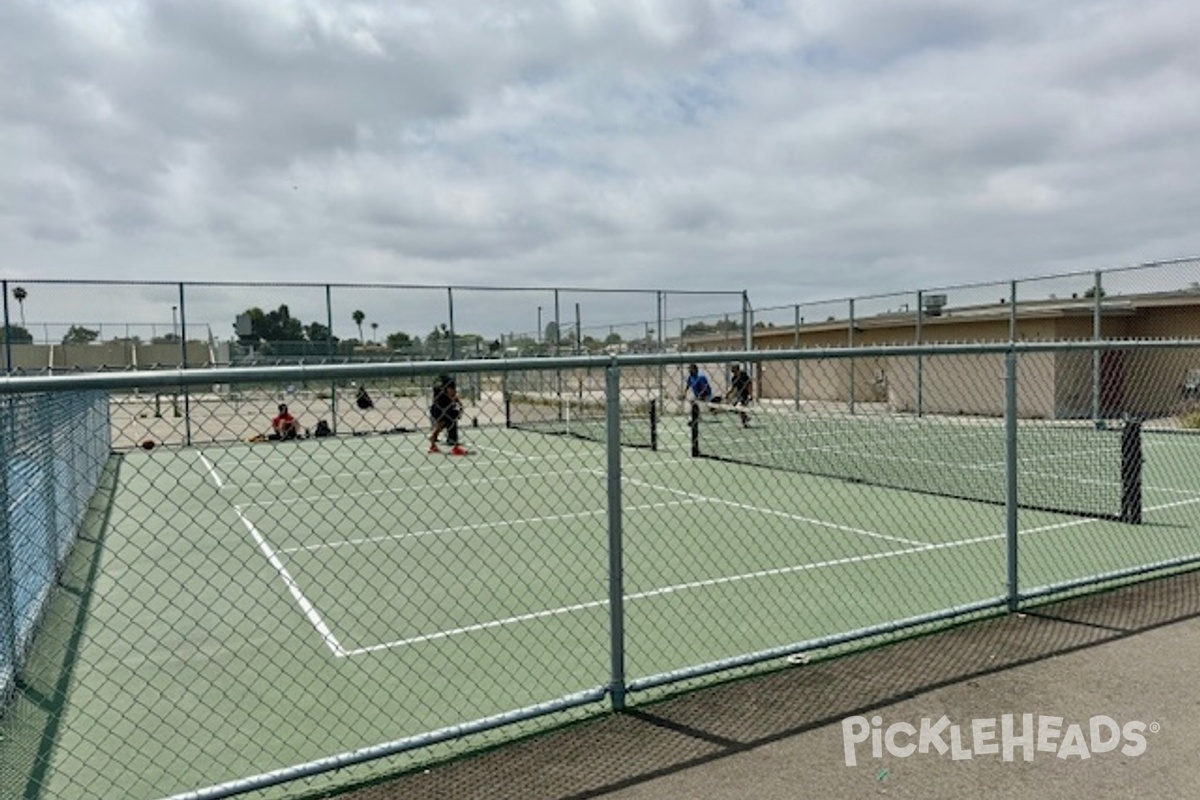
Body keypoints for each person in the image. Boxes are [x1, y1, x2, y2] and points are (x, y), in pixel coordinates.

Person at [429, 375, 468, 455]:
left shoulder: (437, 379)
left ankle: (433, 444)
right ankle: (455, 446)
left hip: (436, 406)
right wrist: (457, 404)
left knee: (440, 425)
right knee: (452, 423)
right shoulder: (449, 380)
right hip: (446, 406)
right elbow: (451, 393)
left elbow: (435, 394)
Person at [729, 363, 753, 428]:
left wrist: (750, 394)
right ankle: (745, 418)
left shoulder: (744, 375)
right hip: (739, 395)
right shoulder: (734, 378)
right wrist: (728, 394)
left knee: (740, 408)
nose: (733, 372)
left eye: (734, 370)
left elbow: (749, 384)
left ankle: (744, 421)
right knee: (738, 408)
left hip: (745, 394)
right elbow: (733, 388)